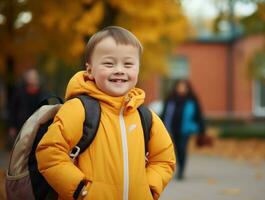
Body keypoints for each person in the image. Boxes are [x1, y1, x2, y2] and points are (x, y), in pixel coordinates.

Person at [36, 26, 175, 200]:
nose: (119, 70)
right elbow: (49, 152)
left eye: (128, 64)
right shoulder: (78, 109)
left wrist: (150, 187)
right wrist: (78, 187)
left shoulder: (146, 117)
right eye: (109, 63)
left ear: (138, 69)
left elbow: (164, 159)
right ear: (90, 70)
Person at [161, 79, 206, 180]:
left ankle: (181, 170)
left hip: (185, 129)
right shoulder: (170, 99)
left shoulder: (192, 100)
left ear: (187, 88)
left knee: (182, 148)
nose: (181, 89)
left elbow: (199, 115)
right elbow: (164, 114)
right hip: (172, 128)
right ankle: (179, 167)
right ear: (176, 87)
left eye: (183, 87)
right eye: (179, 86)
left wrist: (202, 129)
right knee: (176, 150)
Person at [7, 68, 46, 147]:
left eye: (34, 77)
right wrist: (11, 126)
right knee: (20, 148)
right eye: (30, 77)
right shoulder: (19, 92)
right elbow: (12, 109)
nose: (32, 79)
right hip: (21, 126)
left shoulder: (42, 94)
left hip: (36, 127)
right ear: (26, 78)